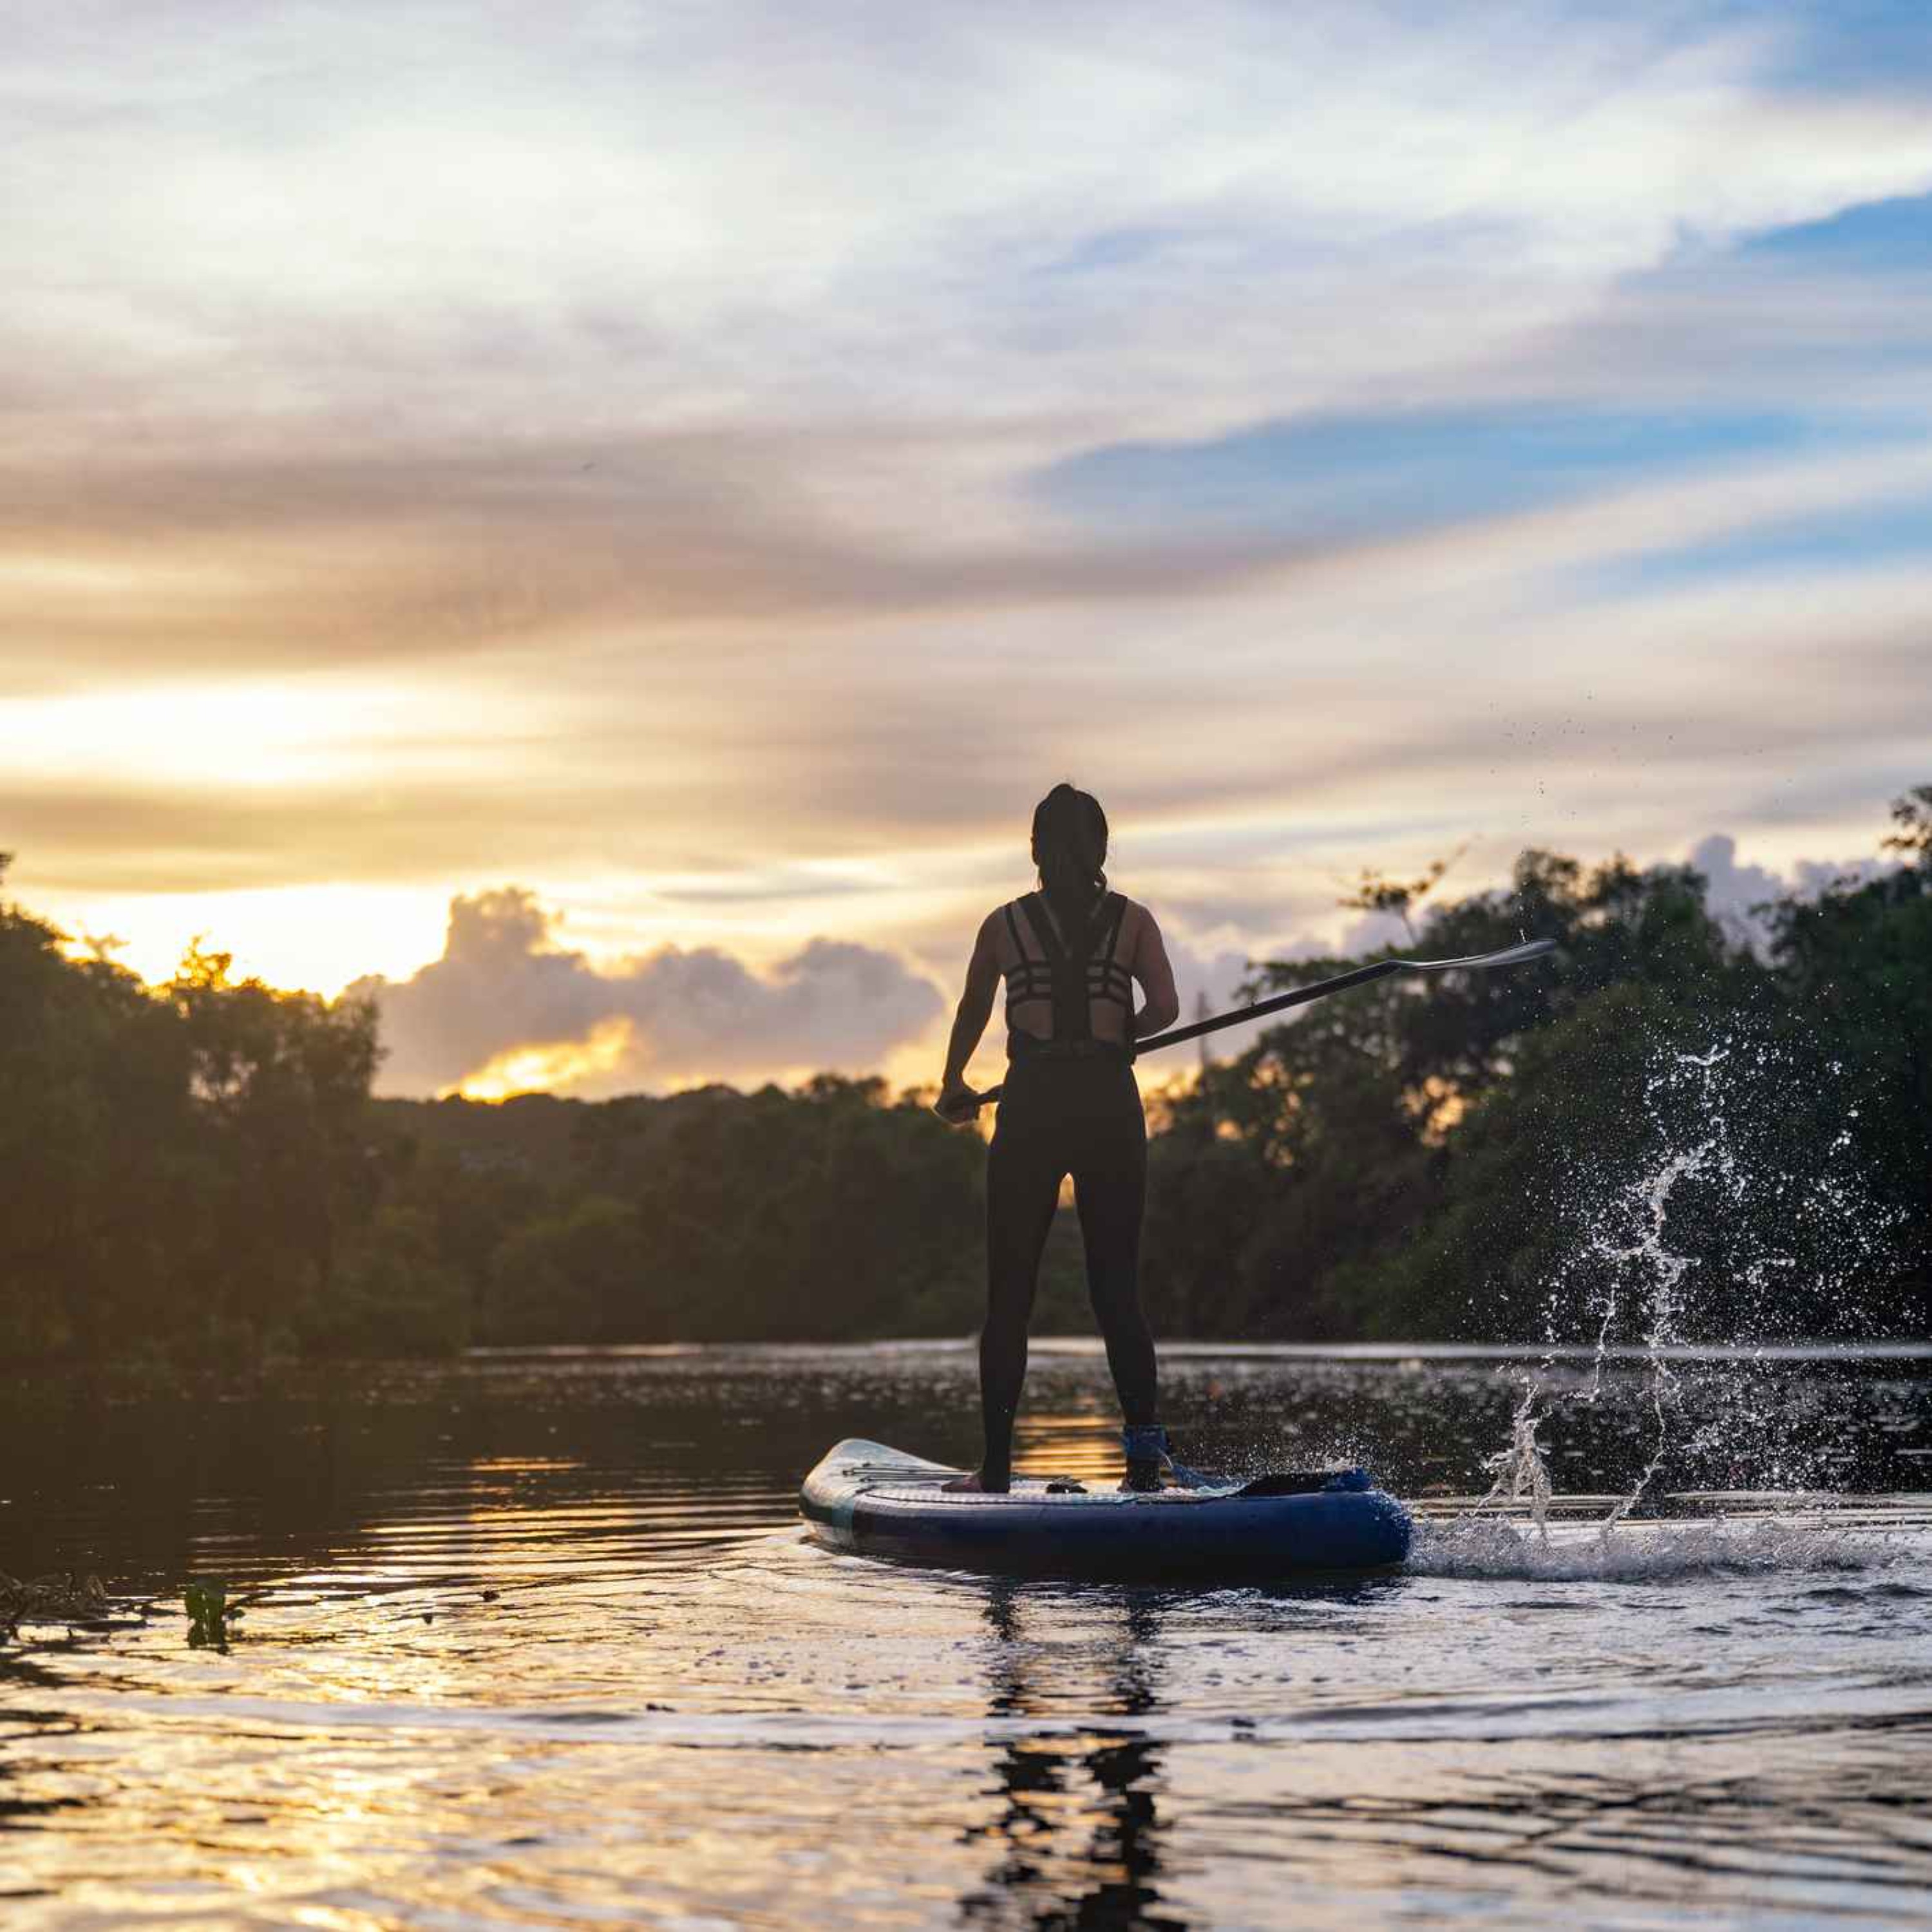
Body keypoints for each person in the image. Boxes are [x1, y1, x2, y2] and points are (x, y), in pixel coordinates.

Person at [934, 783, 1201, 1495]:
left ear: (1034, 850)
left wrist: (952, 1085)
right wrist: (1116, 1040)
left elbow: (972, 1010)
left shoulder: (1003, 924)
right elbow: (1166, 1009)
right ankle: (1143, 1469)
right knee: (1118, 1293)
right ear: (1104, 849)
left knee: (1009, 1297)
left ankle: (994, 1469)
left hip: (1031, 1106)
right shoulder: (1135, 920)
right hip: (1110, 1105)